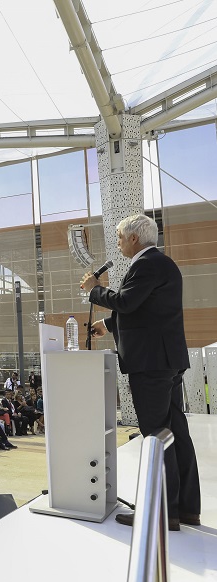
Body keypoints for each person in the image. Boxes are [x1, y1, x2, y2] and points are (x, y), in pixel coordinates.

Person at [82, 213, 200, 531]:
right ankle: (185, 508)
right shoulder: (160, 264)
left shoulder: (146, 264)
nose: (118, 242)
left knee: (157, 436)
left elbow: (127, 301)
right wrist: (108, 325)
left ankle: (162, 510)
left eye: (119, 236)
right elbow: (146, 310)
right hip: (165, 360)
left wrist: (96, 289)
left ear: (134, 238)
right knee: (175, 432)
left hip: (150, 364)